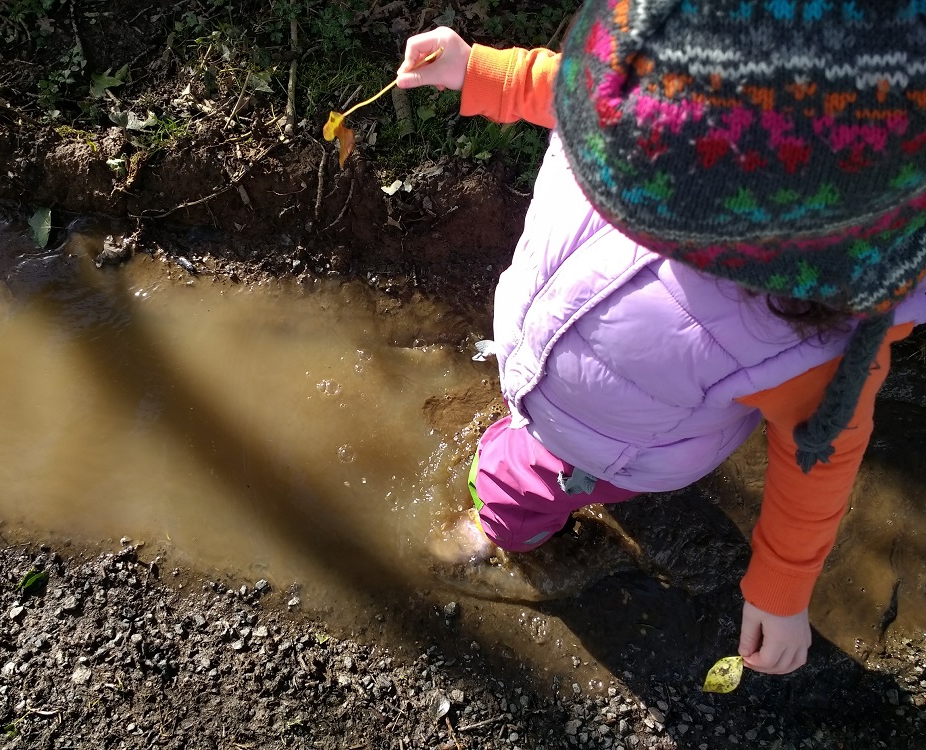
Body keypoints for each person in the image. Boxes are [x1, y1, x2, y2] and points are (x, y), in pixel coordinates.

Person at [396, 1, 926, 677]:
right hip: (568, 368)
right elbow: (575, 92)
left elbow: (817, 461)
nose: (620, 141)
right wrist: (477, 70)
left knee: (527, 479)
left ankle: (502, 527)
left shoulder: (815, 335)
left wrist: (782, 592)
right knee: (537, 456)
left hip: (613, 443)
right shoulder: (640, 106)